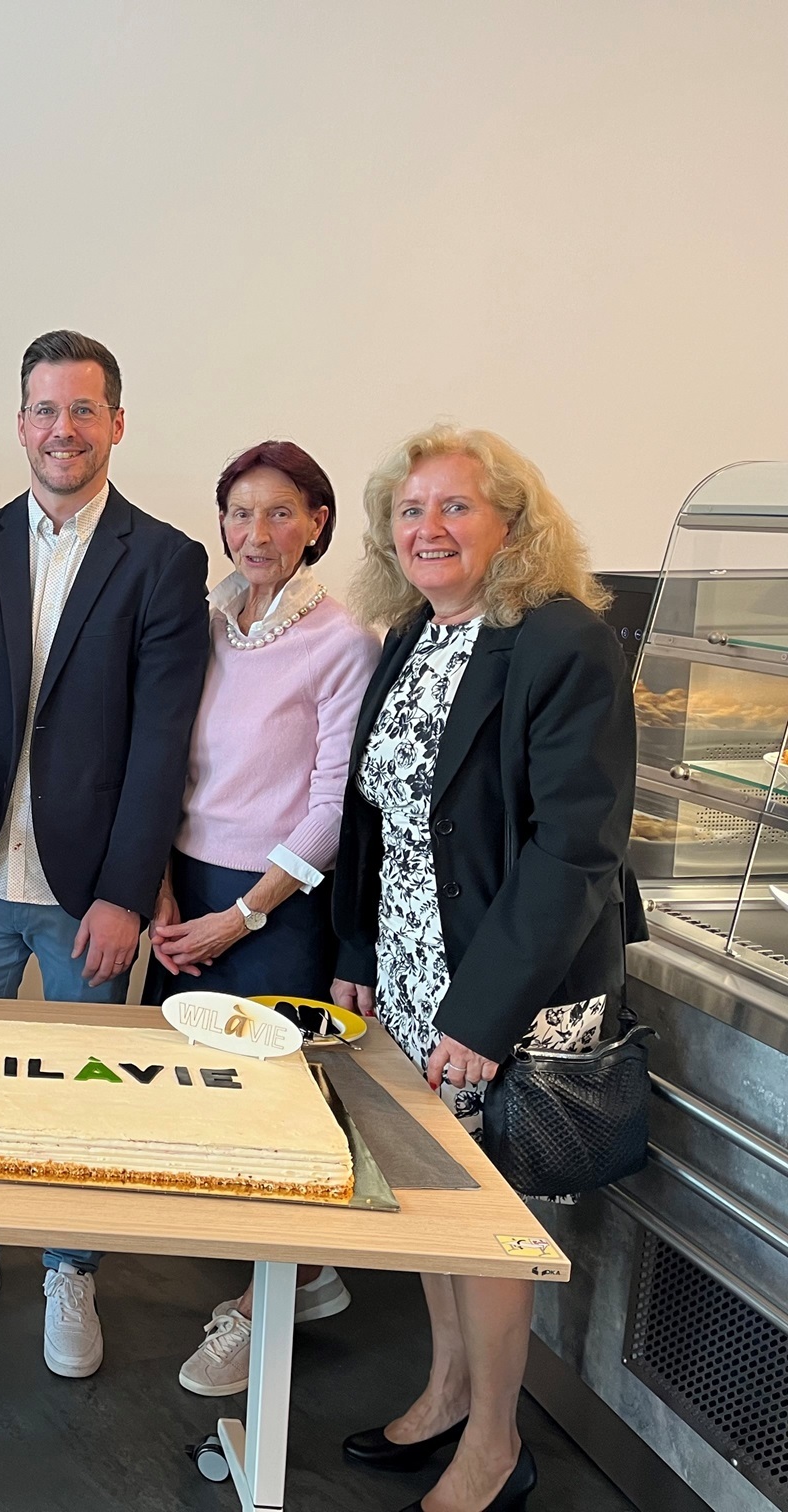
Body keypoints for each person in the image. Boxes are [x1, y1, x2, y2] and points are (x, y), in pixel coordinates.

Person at [0, 330, 210, 1378]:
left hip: (91, 892)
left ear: (116, 424)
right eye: (43, 409)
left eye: (82, 410)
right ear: (20, 422)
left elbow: (163, 741)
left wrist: (128, 891)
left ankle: (70, 1267)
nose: (61, 429)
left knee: (88, 1091)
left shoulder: (163, 561)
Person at [331, 425, 632, 1512]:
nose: (428, 528)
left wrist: (485, 1013)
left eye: (455, 507)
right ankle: (450, 1386)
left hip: (506, 987)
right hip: (410, 975)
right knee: (420, 1195)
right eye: (410, 512)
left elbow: (575, 849)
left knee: (481, 1219)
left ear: (513, 523)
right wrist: (360, 955)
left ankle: (497, 1446)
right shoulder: (411, 634)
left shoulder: (559, 642)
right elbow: (378, 821)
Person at [136, 441, 379, 1397]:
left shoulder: (342, 642)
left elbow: (331, 809)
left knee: (272, 1118)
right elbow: (162, 762)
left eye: (280, 513)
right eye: (240, 513)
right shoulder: (205, 625)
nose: (256, 532)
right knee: (194, 1095)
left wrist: (239, 917)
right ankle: (300, 1277)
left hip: (273, 906)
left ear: (317, 522)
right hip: (183, 889)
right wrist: (159, 888)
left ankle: (271, 1297)